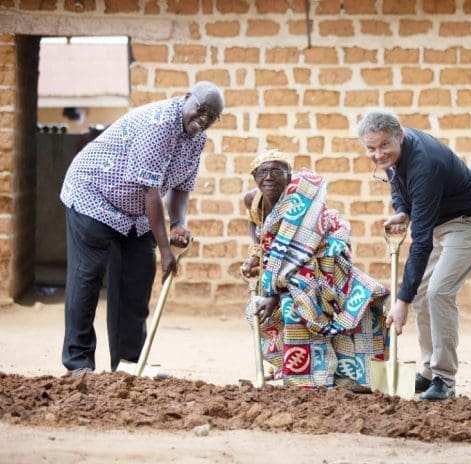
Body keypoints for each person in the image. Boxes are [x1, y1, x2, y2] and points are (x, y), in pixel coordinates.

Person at [60, 81, 224, 376]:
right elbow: (151, 192)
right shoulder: (158, 123)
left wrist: (178, 224)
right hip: (93, 195)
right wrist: (165, 249)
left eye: (211, 116)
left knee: (137, 279)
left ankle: (127, 364)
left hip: (133, 211)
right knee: (88, 276)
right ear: (186, 98)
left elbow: (182, 188)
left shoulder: (198, 138)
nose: (203, 119)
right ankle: (79, 364)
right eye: (200, 110)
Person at [357, 110, 471, 401]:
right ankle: (429, 371)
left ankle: (445, 379)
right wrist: (401, 209)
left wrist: (401, 302)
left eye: (384, 145)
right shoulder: (393, 155)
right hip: (439, 220)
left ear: (400, 136)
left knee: (438, 292)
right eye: (370, 148)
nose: (378, 154)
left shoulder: (425, 164)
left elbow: (420, 242)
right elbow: (396, 182)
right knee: (422, 292)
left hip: (468, 221)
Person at [240, 150, 390, 390]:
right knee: (262, 312)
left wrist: (274, 294)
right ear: (254, 176)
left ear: (289, 176)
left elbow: (306, 249)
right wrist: (255, 256)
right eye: (262, 172)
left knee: (304, 306)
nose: (269, 177)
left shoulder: (304, 200)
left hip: (316, 266)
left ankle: (327, 377)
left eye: (277, 171)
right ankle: (288, 367)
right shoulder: (252, 199)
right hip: (277, 272)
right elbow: (257, 227)